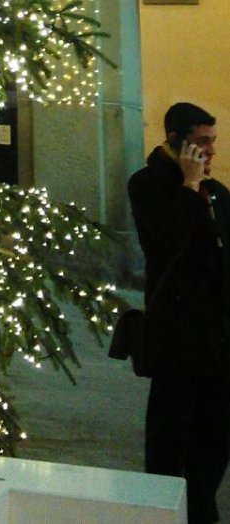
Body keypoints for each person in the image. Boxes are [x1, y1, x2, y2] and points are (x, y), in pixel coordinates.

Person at [128, 101, 230, 524]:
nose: (210, 151)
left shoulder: (219, 194)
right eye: (202, 142)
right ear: (176, 140)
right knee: (169, 446)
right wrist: (188, 188)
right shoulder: (148, 185)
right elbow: (165, 244)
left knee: (213, 445)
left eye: (213, 141)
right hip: (177, 341)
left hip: (220, 342)